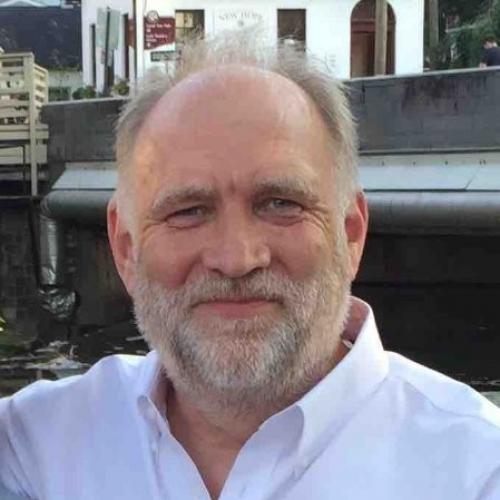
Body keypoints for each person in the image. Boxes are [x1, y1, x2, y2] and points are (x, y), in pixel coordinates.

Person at [1, 31, 500, 500]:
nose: (236, 259)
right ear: (126, 247)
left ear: (350, 233)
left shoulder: (477, 470)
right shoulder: (33, 443)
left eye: (281, 204)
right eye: (188, 211)